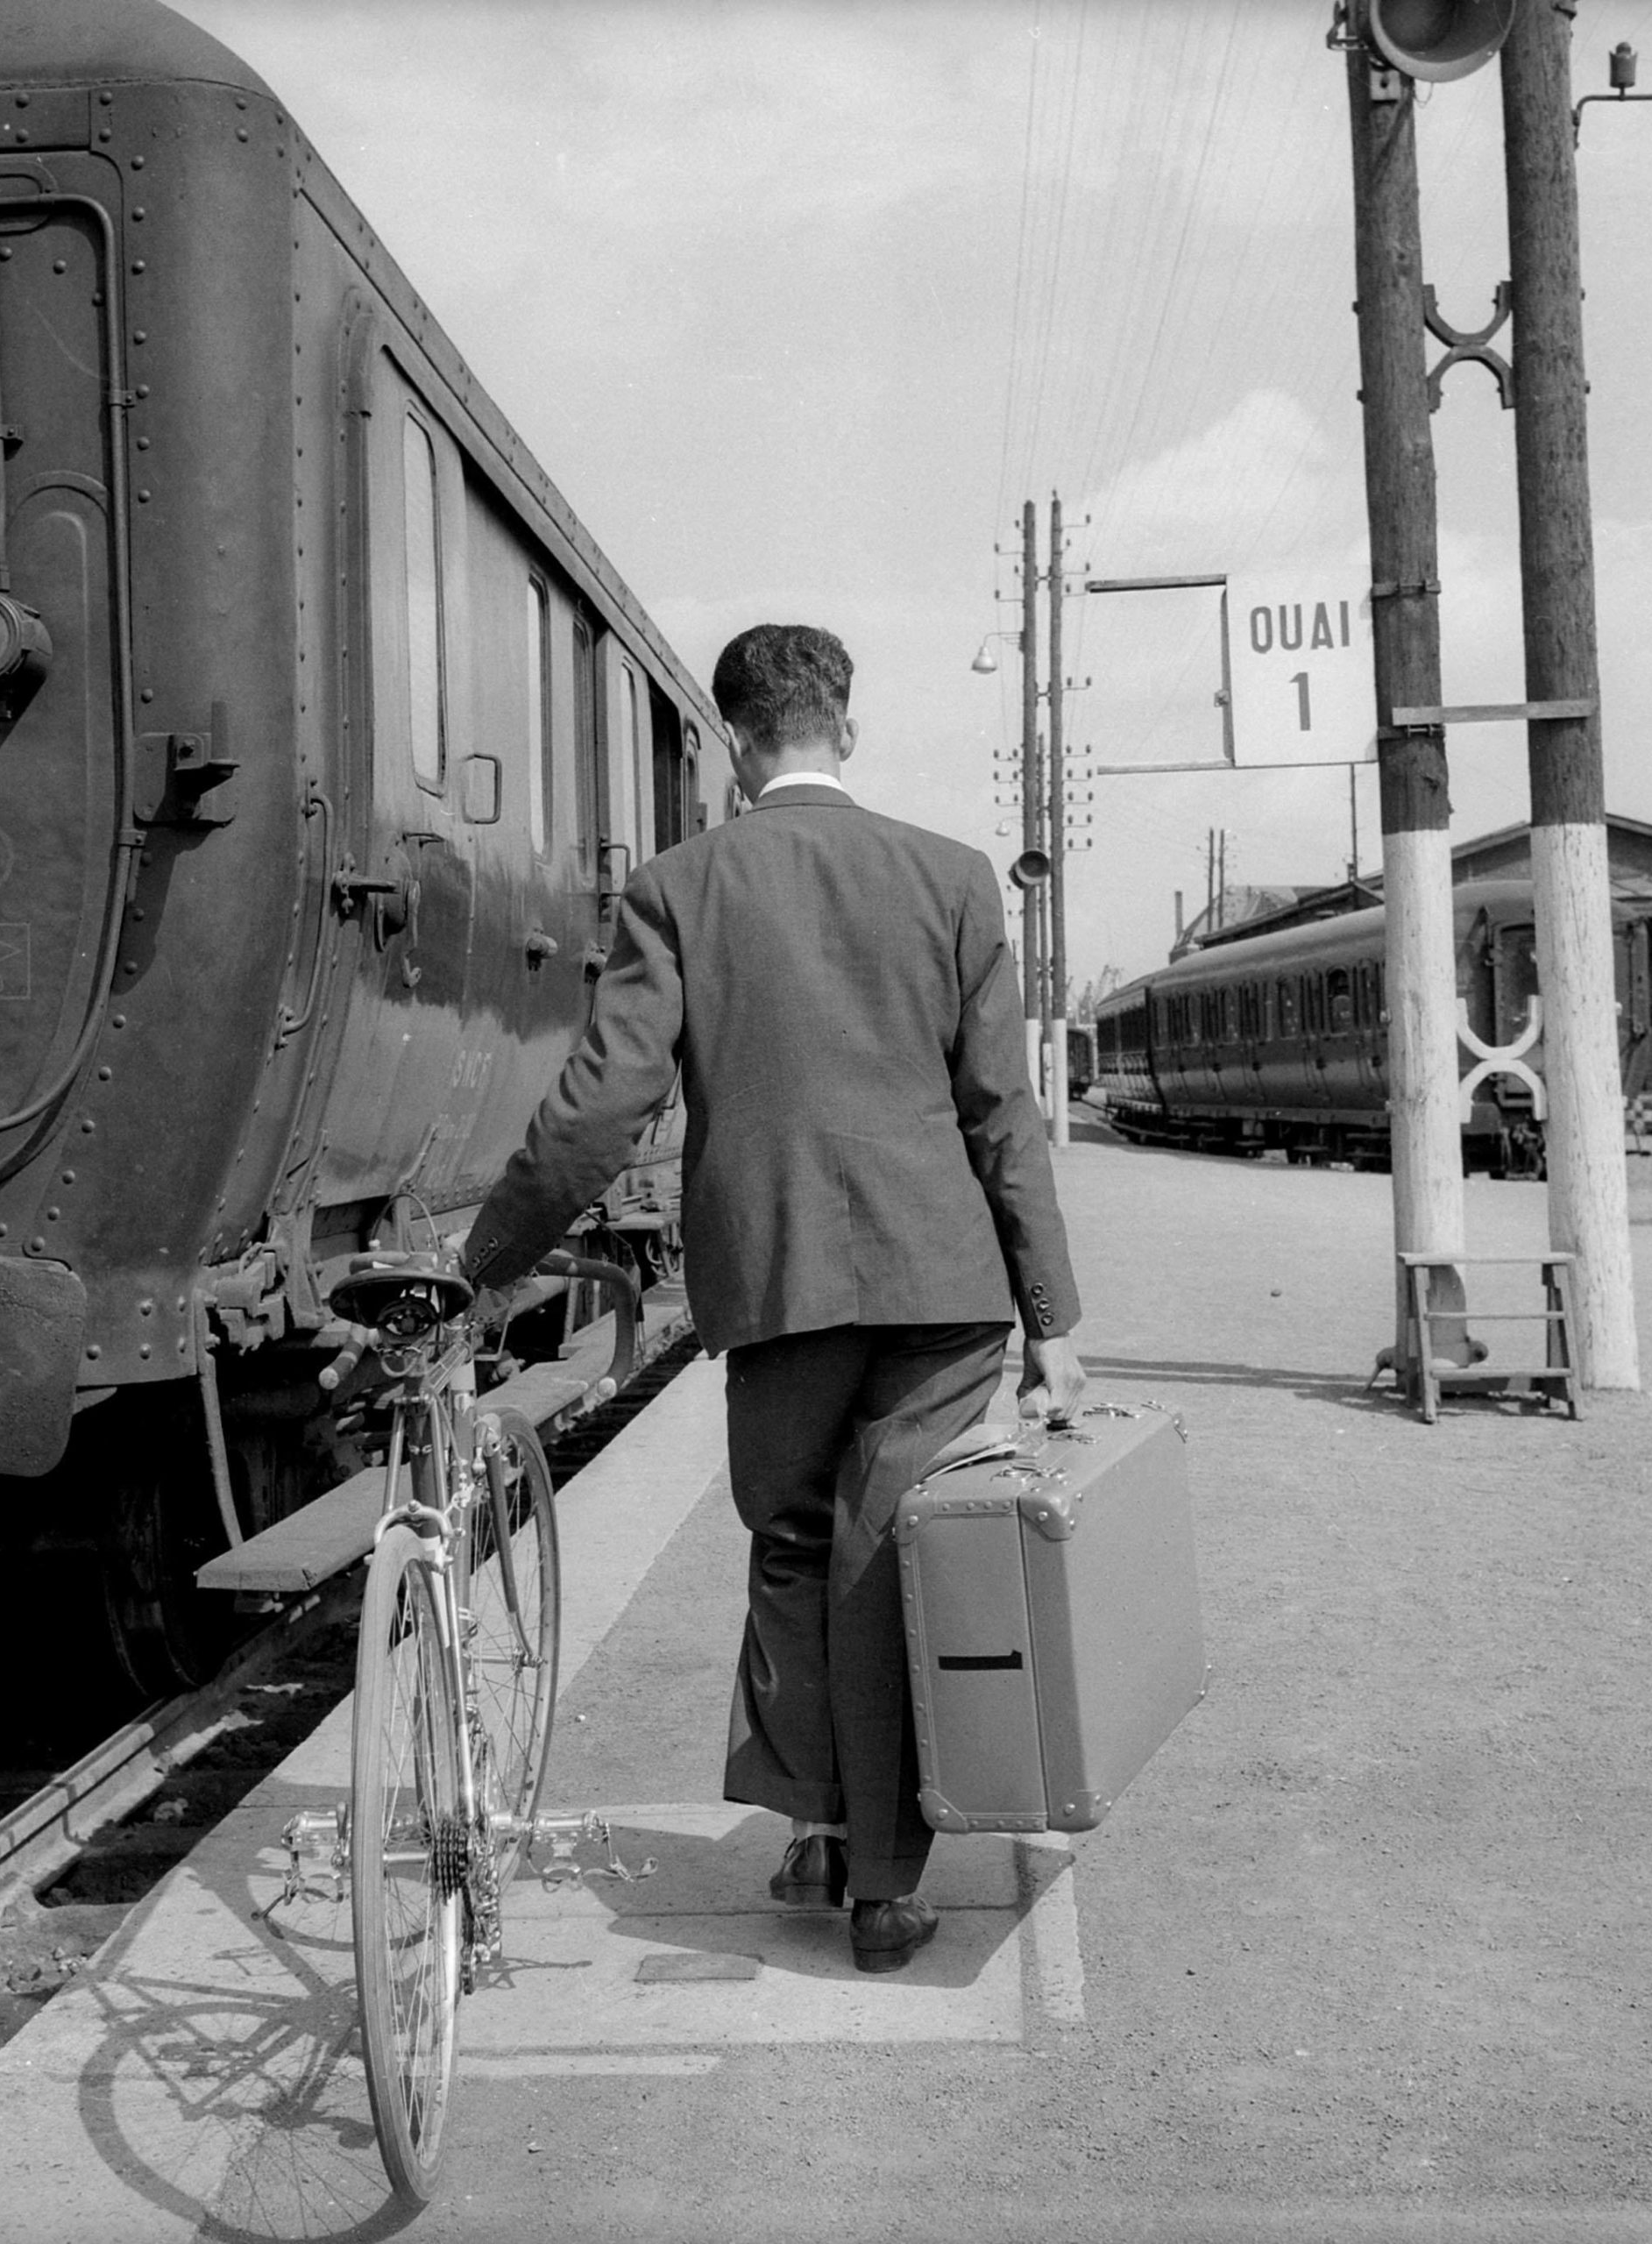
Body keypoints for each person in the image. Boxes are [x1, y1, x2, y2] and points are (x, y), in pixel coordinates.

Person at [461, 622, 1083, 1973]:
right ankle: (881, 1879)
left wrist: (486, 1266)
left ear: (735, 745)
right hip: (942, 1288)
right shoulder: (957, 878)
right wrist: (1053, 1326)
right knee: (886, 1547)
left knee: (798, 1545)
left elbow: (602, 1106)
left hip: (778, 1281)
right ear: (845, 728)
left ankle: (825, 1834)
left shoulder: (681, 888)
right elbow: (1001, 1117)